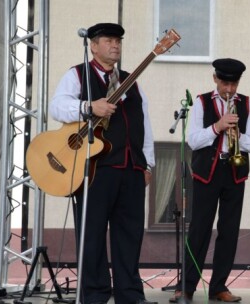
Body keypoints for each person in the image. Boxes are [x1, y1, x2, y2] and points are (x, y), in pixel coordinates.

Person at [49, 23, 156, 304]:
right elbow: (57, 106)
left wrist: (149, 165)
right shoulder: (77, 74)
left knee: (130, 236)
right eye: (109, 40)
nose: (116, 45)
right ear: (93, 46)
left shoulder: (132, 80)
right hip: (96, 168)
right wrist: (87, 106)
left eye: (118, 41)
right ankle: (95, 295)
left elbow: (144, 122)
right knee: (92, 234)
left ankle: (130, 295)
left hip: (132, 169)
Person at [169, 58, 250, 303]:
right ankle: (186, 286)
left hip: (234, 172)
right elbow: (193, 140)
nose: (229, 89)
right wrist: (218, 126)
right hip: (206, 173)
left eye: (234, 84)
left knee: (229, 232)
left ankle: (219, 286)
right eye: (225, 83)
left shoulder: (248, 104)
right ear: (215, 79)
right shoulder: (201, 102)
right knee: (199, 230)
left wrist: (237, 135)